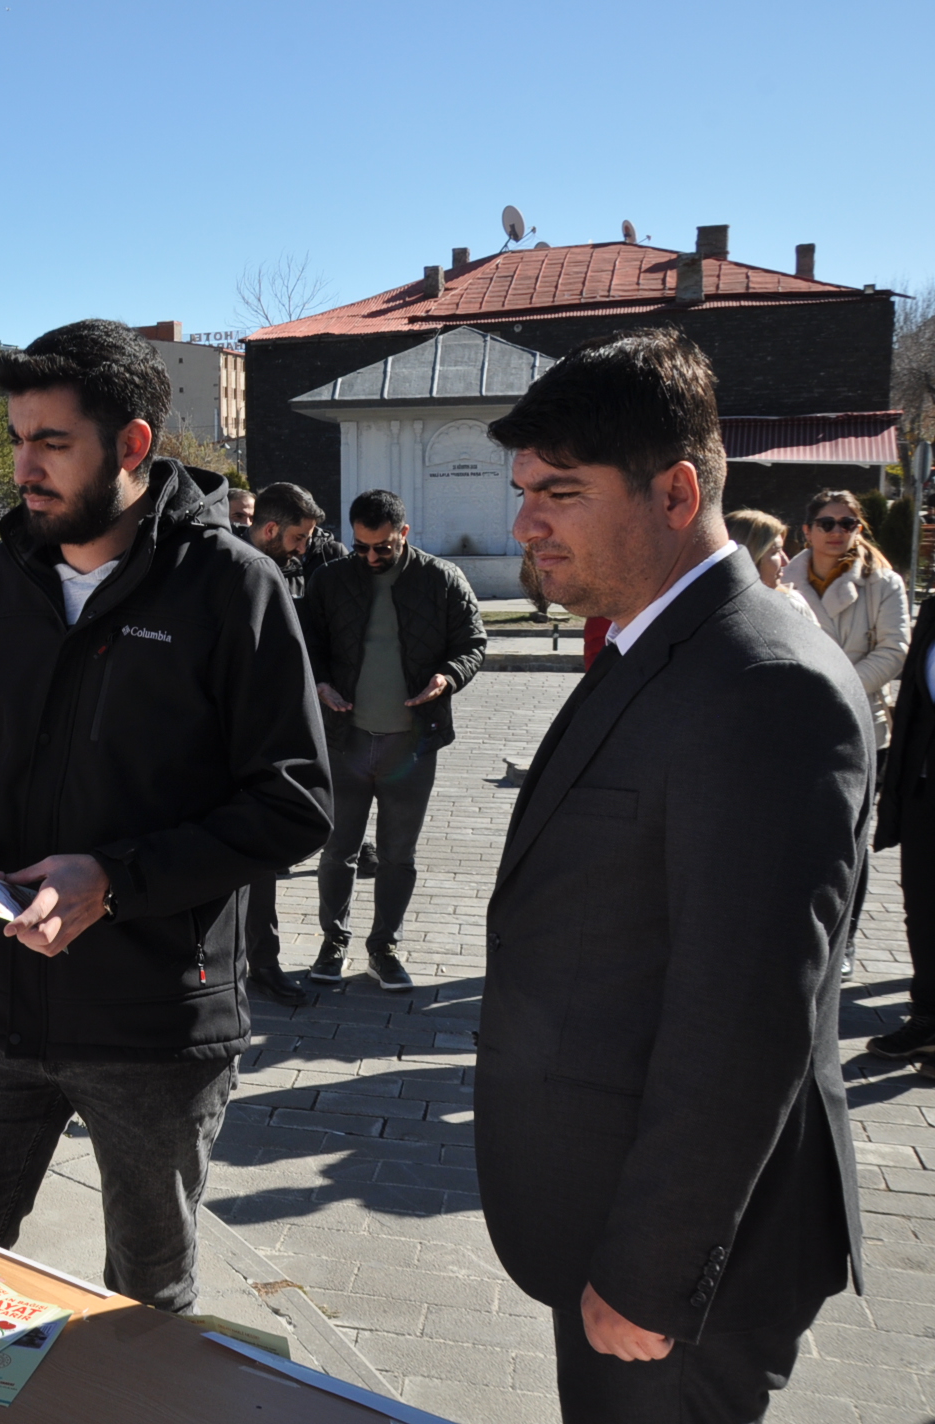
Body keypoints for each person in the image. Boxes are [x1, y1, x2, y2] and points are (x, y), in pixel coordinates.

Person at [482, 327, 865, 1424]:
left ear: (675, 490)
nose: (524, 523)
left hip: (681, 1273)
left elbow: (744, 1018)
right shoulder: (658, 645)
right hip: (605, 1215)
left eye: (558, 491)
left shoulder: (760, 683)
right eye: (522, 490)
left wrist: (652, 1269)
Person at [0, 320, 331, 1313]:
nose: (23, 466)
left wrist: (116, 878)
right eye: (16, 438)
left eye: (50, 442)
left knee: (145, 1304)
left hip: (153, 1024)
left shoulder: (230, 587)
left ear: (131, 446)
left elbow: (292, 801)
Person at [297, 489, 487, 992]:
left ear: (403, 533)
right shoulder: (331, 579)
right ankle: (333, 942)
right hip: (346, 740)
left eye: (381, 547)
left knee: (398, 855)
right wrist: (318, 681)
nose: (370, 557)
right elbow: (305, 641)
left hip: (412, 745)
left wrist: (447, 677)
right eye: (361, 547)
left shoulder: (442, 579)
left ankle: (385, 947)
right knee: (338, 851)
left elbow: (473, 643)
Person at [783, 490, 909, 981]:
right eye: (828, 522)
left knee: (845, 844)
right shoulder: (781, 578)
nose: (839, 531)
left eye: (849, 523)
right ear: (807, 530)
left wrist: (836, 690)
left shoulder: (883, 581)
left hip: (861, 727)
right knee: (795, 839)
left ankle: (845, 940)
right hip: (793, 731)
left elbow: (894, 649)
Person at [236, 480, 327, 1006]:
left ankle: (261, 965)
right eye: (296, 538)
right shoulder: (228, 573)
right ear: (269, 529)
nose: (302, 549)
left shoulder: (284, 570)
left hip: (267, 743)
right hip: (230, 749)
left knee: (263, 867)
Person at [873, 590, 935, 1069]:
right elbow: (913, 703)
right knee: (923, 904)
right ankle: (928, 1019)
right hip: (923, 783)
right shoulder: (933, 609)